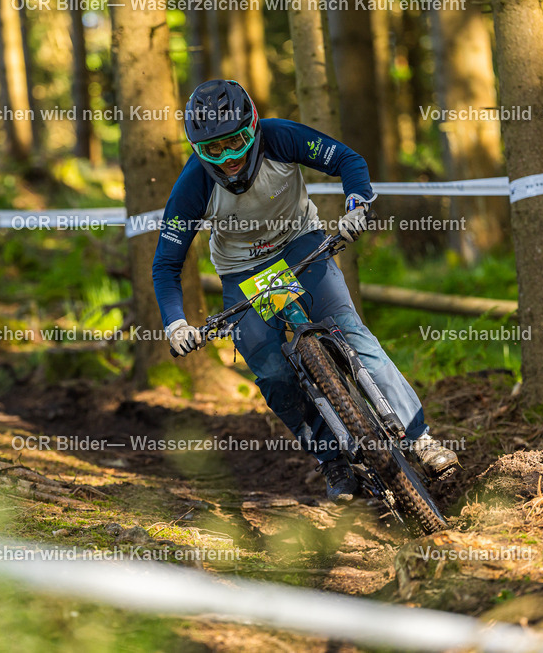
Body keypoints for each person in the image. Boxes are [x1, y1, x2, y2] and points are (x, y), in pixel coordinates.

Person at [152, 79, 458, 502]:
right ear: (198, 151)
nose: (230, 159)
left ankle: (420, 437)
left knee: (350, 331)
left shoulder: (281, 137)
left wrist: (356, 205)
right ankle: (332, 461)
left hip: (301, 243)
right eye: (214, 151)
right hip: (245, 270)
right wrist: (175, 324)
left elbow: (347, 160)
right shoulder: (192, 186)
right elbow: (166, 265)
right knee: (274, 372)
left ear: (254, 127)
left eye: (237, 141)